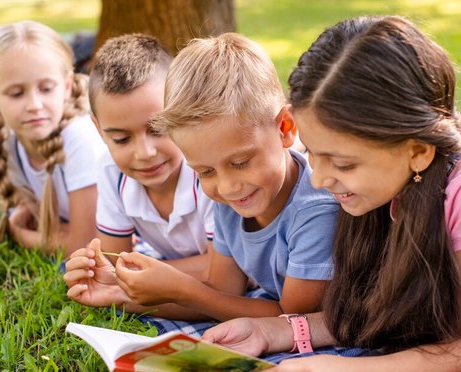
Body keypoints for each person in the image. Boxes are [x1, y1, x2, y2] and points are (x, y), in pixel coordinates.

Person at [202, 15, 461, 372]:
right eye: (313, 153)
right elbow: (369, 312)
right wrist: (269, 332)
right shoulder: (377, 189)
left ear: (417, 151)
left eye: (341, 163)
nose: (320, 180)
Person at [72, 32, 339, 321]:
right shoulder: (229, 202)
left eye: (240, 162)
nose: (226, 187)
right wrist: (118, 295)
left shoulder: (314, 210)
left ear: (285, 128)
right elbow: (222, 296)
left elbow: (290, 318)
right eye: (205, 171)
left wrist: (184, 289)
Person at [63, 34, 216, 320]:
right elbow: (114, 266)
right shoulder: (111, 172)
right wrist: (105, 271)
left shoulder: (207, 170)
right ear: (98, 129)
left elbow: (223, 276)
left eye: (157, 129)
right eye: (121, 139)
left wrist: (131, 272)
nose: (144, 153)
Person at [0, 20, 106, 256]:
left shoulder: (79, 138)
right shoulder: (9, 143)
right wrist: (61, 231)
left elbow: (86, 247)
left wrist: (21, 235)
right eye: (16, 93)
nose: (34, 105)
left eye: (46, 89)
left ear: (66, 86)